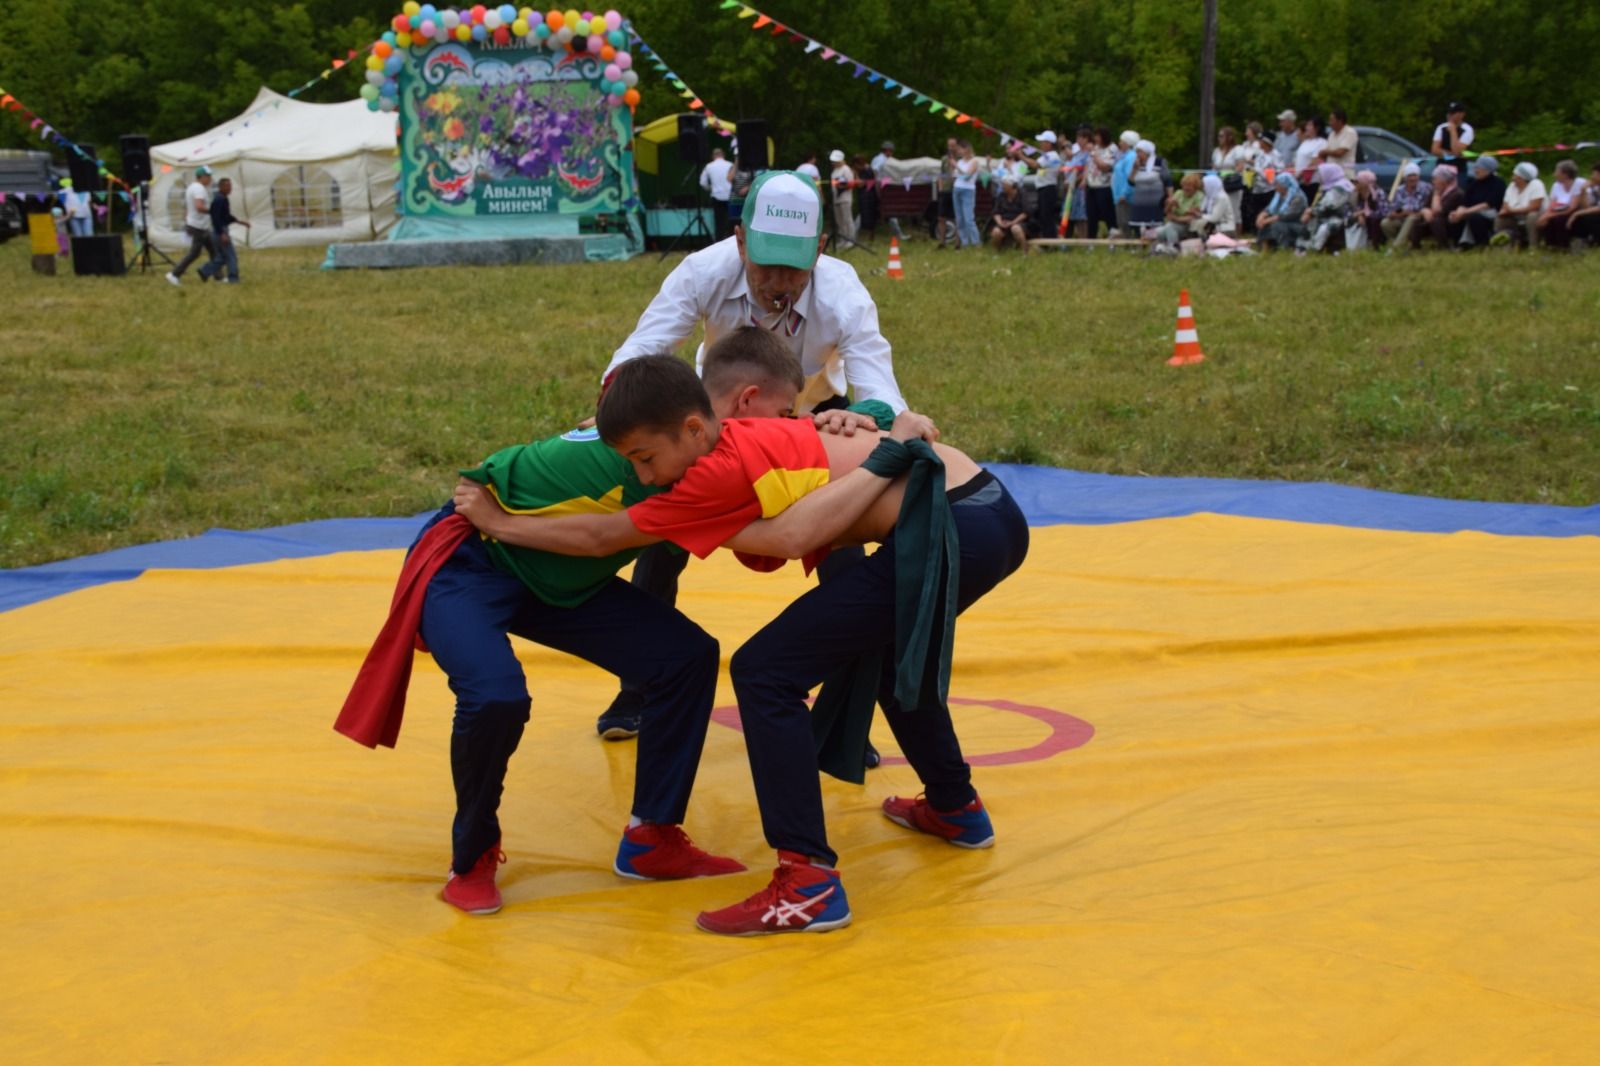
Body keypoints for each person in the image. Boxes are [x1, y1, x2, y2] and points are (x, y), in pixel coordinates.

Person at [450, 342, 1030, 936]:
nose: (645, 477)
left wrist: (500, 525)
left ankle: (808, 883)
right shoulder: (760, 433)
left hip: (953, 526)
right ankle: (955, 808)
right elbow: (838, 445)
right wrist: (882, 425)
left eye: (646, 458)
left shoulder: (711, 471)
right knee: (878, 652)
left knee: (764, 671)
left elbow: (612, 537)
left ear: (698, 426)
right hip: (989, 511)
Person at [333, 336, 906, 915]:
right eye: (780, 416)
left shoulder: (697, 444)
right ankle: (473, 854)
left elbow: (803, 467)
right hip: (473, 561)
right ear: (735, 407)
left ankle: (651, 835)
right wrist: (497, 523)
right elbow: (597, 533)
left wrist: (862, 414)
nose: (786, 427)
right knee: (496, 696)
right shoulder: (660, 455)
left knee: (684, 656)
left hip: (558, 579)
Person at [596, 171, 909, 739]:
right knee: (662, 545)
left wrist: (867, 421)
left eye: (795, 267)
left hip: (813, 418)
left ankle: (847, 717)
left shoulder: (843, 293)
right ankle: (635, 690)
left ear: (819, 249)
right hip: (716, 415)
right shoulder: (702, 271)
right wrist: (613, 403)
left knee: (842, 554)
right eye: (765, 265)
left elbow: (880, 385)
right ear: (739, 240)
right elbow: (643, 346)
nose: (779, 282)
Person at [165, 166, 215, 286]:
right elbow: (199, 206)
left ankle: (219, 276)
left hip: (197, 224)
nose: (210, 179)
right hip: (199, 226)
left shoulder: (192, 187)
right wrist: (213, 211)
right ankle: (174, 274)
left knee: (214, 252)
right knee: (195, 253)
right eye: (208, 176)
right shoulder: (199, 189)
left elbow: (189, 207)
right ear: (201, 177)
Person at [197, 177, 250, 283]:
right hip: (219, 231)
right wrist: (222, 233)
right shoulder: (219, 199)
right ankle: (233, 278)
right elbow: (215, 218)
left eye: (230, 186)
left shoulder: (222, 198)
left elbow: (225, 216)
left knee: (223, 257)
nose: (230, 188)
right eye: (227, 186)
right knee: (231, 256)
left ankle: (204, 271)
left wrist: (239, 221)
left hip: (218, 231)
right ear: (221, 187)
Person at [1450, 155, 1506, 248]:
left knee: (1475, 218)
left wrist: (1466, 211)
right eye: (1476, 168)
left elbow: (1488, 204)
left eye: (1479, 168)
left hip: (1491, 212)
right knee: (1454, 216)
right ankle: (1459, 245)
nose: (1476, 171)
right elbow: (1465, 202)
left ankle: (1482, 244)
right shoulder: (1474, 183)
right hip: (1472, 210)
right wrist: (1459, 212)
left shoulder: (1498, 183)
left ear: (1487, 169)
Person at [1534, 159, 1589, 249]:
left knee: (1559, 220)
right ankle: (1551, 245)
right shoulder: (1556, 185)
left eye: (1556, 171)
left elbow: (1573, 206)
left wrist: (1549, 216)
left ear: (1565, 174)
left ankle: (1563, 246)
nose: (1554, 174)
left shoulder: (1579, 183)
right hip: (1558, 210)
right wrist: (1546, 215)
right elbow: (1552, 204)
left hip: (1576, 211)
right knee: (1548, 220)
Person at [1408, 164, 1464, 250]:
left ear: (1444, 180)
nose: (1433, 181)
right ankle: (1415, 246)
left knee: (1436, 221)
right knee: (1417, 221)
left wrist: (1436, 195)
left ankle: (1444, 247)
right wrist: (1425, 211)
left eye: (1435, 179)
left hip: (1449, 224)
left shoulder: (1456, 194)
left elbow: (1440, 212)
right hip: (1433, 220)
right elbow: (1425, 206)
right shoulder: (1436, 190)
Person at [1494, 162, 1545, 249]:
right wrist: (1507, 211)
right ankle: (1503, 247)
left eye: (1515, 175)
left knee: (1532, 216)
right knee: (1500, 219)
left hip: (1534, 216)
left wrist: (1512, 210)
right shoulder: (1512, 186)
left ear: (1522, 177)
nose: (1512, 177)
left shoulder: (1536, 185)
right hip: (1515, 216)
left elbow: (1535, 206)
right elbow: (1505, 205)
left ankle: (1533, 246)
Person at [1126, 140, 1171, 238]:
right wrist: (1134, 169)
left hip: (1155, 202)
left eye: (1139, 152)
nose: (1137, 154)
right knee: (1137, 226)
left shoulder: (1159, 162)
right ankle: (1139, 245)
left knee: (1154, 226)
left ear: (1146, 152)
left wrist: (1170, 197)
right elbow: (1130, 182)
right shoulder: (1137, 164)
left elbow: (1168, 181)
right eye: (1136, 152)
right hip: (1139, 202)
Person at [1152, 171, 1205, 251]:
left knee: (1169, 228)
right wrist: (1169, 205)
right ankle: (1163, 250)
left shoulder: (1199, 196)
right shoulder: (1179, 193)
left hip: (1189, 227)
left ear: (1195, 187)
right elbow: (1166, 212)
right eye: (1184, 185)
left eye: (1189, 186)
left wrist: (1175, 217)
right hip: (1173, 223)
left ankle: (1174, 249)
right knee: (1158, 232)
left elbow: (1192, 218)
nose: (1186, 188)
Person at [1382, 163, 1432, 248]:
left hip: (1419, 217)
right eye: (1409, 176)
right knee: (1385, 223)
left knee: (1411, 218)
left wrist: (1411, 213)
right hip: (1402, 217)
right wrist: (1396, 214)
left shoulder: (1426, 188)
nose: (1412, 178)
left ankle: (1397, 247)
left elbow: (1428, 207)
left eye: (1414, 175)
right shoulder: (1399, 190)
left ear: (1418, 176)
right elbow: (1393, 209)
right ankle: (1398, 242)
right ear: (1405, 178)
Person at [1255, 171, 1309, 251]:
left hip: (1296, 223)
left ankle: (1284, 247)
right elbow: (1269, 209)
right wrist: (1261, 216)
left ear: (1284, 185)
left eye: (1277, 184)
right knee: (1265, 221)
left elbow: (1288, 215)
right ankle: (1264, 247)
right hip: (1280, 220)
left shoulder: (1298, 197)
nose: (1275, 186)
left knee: (1276, 224)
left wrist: (1268, 220)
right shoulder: (1279, 196)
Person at [1084, 127, 1118, 239]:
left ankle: (1113, 235)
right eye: (1095, 136)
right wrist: (1085, 179)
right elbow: (1088, 165)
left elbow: (1104, 167)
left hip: (1104, 186)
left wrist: (1094, 153)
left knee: (1107, 213)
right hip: (1091, 185)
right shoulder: (1095, 148)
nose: (1095, 138)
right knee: (1091, 215)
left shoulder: (1112, 148)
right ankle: (1091, 239)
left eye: (1098, 136)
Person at [1345, 170, 1388, 250]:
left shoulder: (1378, 193)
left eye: (1357, 182)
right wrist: (1359, 215)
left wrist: (1365, 213)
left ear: (1364, 183)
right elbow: (1347, 212)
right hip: (1359, 220)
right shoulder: (1354, 194)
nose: (1355, 184)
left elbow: (1383, 212)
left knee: (1373, 221)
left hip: (1375, 221)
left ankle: (1373, 245)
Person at [950, 139, 981, 249]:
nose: (958, 151)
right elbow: (955, 176)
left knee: (968, 219)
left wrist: (956, 167)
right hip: (957, 189)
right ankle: (965, 243)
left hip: (968, 190)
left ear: (966, 149)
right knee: (960, 219)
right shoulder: (960, 161)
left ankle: (976, 243)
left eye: (960, 149)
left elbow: (967, 176)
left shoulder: (974, 161)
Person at [699, 147, 735, 241]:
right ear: (723, 155)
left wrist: (710, 188)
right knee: (731, 221)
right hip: (730, 196)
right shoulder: (730, 164)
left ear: (713, 156)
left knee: (718, 223)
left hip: (716, 197)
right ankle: (732, 240)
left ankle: (719, 242)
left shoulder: (709, 166)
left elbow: (702, 182)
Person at [1110, 129, 1141, 237]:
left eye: (1121, 141)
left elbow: (1130, 177)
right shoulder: (1124, 156)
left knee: (1125, 222)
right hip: (1119, 195)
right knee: (1122, 223)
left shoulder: (1131, 157)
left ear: (1128, 143)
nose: (1119, 144)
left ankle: (1129, 245)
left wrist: (1124, 193)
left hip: (1125, 197)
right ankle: (1126, 245)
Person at [988, 176, 1030, 251]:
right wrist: (1000, 222)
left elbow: (1025, 213)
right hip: (1004, 221)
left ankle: (1024, 251)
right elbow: (996, 212)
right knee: (996, 232)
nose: (1002, 186)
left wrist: (1012, 222)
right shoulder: (1001, 196)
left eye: (1004, 184)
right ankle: (996, 252)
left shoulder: (1022, 195)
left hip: (1019, 221)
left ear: (1011, 186)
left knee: (1016, 228)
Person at [1564, 162, 1600, 248]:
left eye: (1594, 174)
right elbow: (1586, 208)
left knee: (1586, 217)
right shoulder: (1596, 188)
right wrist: (1583, 191)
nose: (1592, 177)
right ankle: (1579, 245)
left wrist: (1577, 214)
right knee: (1583, 217)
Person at [826, 149, 857, 246]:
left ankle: (851, 240)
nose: (833, 163)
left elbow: (851, 183)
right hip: (836, 199)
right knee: (839, 221)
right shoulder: (834, 171)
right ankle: (842, 240)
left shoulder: (846, 169)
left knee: (847, 219)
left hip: (845, 198)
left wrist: (842, 186)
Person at [1431, 102, 1474, 169]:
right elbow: (1434, 150)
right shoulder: (1441, 127)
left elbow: (1457, 151)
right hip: (1441, 166)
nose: (1449, 115)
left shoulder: (1467, 130)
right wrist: (1453, 155)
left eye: (1453, 113)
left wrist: (1453, 132)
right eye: (1448, 113)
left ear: (1461, 114)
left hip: (1458, 168)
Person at [1319, 108, 1358, 178]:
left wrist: (1325, 152)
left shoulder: (1349, 132)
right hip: (1331, 175)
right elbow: (1327, 152)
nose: (1329, 123)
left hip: (1344, 175)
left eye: (1332, 120)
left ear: (1340, 121)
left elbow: (1340, 152)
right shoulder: (1331, 134)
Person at [1293, 117, 1327, 186]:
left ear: (1317, 128)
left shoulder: (1321, 142)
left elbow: (1315, 162)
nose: (1306, 127)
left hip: (1311, 182)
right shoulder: (1305, 142)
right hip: (1299, 181)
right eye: (1307, 125)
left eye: (1310, 125)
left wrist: (1300, 175)